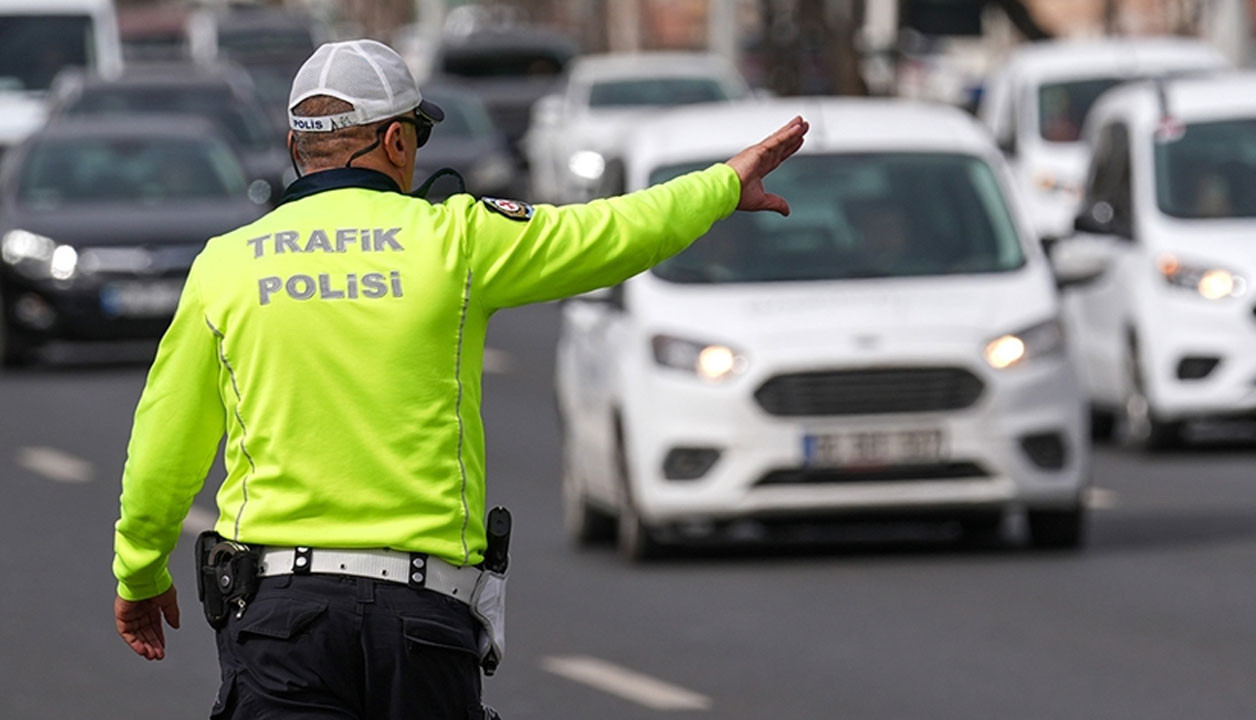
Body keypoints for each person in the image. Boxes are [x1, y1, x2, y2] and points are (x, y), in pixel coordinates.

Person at [112, 38, 808, 718]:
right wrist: (722, 186)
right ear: (395, 143)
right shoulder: (457, 240)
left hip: (281, 624)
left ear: (299, 149)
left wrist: (140, 574)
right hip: (421, 621)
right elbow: (611, 233)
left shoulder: (226, 266)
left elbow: (162, 449)